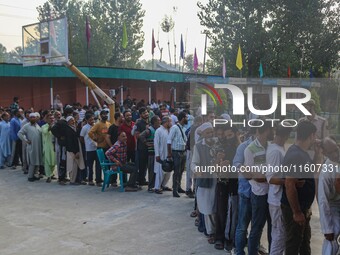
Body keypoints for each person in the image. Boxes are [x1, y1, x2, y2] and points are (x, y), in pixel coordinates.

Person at [281, 121, 323, 255]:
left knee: (304, 242)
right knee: (294, 244)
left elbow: (312, 170)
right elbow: (289, 185)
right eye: (314, 136)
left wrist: (317, 153)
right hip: (295, 208)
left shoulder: (302, 153)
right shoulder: (295, 155)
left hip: (303, 207)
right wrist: (297, 212)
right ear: (311, 135)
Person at [243, 121, 274, 255]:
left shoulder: (271, 147)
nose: (270, 133)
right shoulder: (249, 149)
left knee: (273, 228)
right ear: (259, 132)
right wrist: (264, 177)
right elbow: (250, 173)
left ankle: (274, 251)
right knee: (257, 227)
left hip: (272, 192)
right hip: (259, 193)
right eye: (268, 130)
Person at [265, 124, 292, 255]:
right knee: (279, 236)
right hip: (276, 200)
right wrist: (289, 182)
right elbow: (271, 178)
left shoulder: (279, 148)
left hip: (278, 199)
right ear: (285, 135)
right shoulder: (275, 151)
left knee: (279, 234)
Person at [191, 122, 217, 244]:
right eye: (208, 132)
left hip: (218, 180)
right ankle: (211, 232)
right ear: (204, 134)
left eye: (212, 132)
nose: (211, 134)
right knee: (207, 208)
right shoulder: (198, 146)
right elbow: (194, 163)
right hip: (205, 180)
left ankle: (216, 231)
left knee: (217, 208)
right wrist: (197, 170)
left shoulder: (218, 144)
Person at [318, 137, 340, 255]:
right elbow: (323, 201)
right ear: (325, 153)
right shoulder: (326, 172)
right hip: (333, 204)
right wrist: (327, 228)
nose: (336, 154)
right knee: (333, 234)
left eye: (336, 149)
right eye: (332, 152)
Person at [167, 111, 188, 197]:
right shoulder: (175, 128)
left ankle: (178, 187)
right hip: (176, 152)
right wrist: (169, 154)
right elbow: (169, 141)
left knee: (181, 171)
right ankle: (175, 190)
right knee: (176, 171)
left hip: (183, 152)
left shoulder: (183, 128)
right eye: (186, 117)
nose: (187, 119)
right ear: (183, 118)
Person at [18, 112, 43, 182]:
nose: (33, 118)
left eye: (34, 117)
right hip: (31, 147)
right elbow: (19, 133)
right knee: (32, 162)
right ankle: (30, 176)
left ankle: (35, 175)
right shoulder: (26, 126)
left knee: (37, 161)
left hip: (38, 147)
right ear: (29, 118)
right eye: (31, 117)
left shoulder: (37, 126)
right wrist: (26, 140)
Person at [140, 115, 161, 192]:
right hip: (151, 153)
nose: (160, 121)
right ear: (155, 122)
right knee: (152, 170)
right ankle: (151, 186)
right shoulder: (150, 130)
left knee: (157, 170)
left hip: (157, 153)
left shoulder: (158, 129)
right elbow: (141, 136)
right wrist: (146, 143)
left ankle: (156, 185)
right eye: (158, 120)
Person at [154, 116, 172, 194]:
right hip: (161, 154)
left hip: (168, 155)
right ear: (166, 122)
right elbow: (156, 144)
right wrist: (157, 154)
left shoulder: (169, 130)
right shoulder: (159, 131)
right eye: (170, 122)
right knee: (160, 172)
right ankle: (157, 187)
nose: (171, 123)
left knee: (168, 171)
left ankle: (164, 185)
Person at [65, 116, 85, 185]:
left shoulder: (73, 128)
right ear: (68, 122)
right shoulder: (68, 130)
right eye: (71, 121)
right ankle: (72, 180)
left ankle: (75, 179)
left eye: (73, 120)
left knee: (75, 166)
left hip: (74, 150)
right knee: (73, 166)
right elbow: (70, 142)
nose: (73, 122)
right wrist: (75, 152)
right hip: (72, 151)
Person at [80, 114, 99, 186]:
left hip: (96, 148)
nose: (92, 121)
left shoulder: (96, 126)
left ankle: (98, 179)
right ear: (87, 120)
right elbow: (81, 138)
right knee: (90, 166)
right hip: (89, 149)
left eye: (93, 119)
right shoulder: (85, 128)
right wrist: (86, 144)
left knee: (98, 165)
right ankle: (90, 179)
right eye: (90, 120)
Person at [134, 107, 150, 186]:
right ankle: (140, 181)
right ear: (140, 115)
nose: (146, 114)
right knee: (142, 165)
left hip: (149, 148)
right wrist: (145, 131)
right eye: (144, 113)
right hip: (141, 148)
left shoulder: (149, 123)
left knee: (147, 165)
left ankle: (143, 179)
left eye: (146, 112)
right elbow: (137, 136)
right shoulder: (139, 123)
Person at [41, 113, 56, 183]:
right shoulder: (44, 126)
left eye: (53, 118)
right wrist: (51, 125)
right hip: (47, 146)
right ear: (46, 120)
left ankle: (52, 173)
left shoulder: (56, 126)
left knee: (53, 161)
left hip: (54, 146)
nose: (52, 119)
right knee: (47, 161)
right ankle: (48, 176)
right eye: (50, 118)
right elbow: (45, 131)